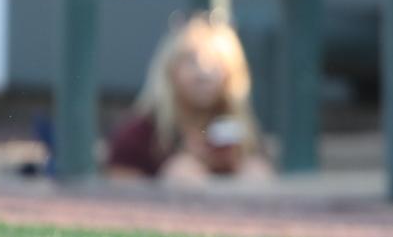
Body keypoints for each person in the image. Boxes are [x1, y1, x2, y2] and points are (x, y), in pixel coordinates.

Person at [105, 14, 275, 182]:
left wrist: (230, 165)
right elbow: (120, 188)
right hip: (166, 207)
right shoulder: (141, 133)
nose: (203, 72)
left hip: (234, 207)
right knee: (183, 172)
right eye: (191, 61)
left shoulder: (243, 129)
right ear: (170, 69)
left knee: (255, 171)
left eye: (216, 62)